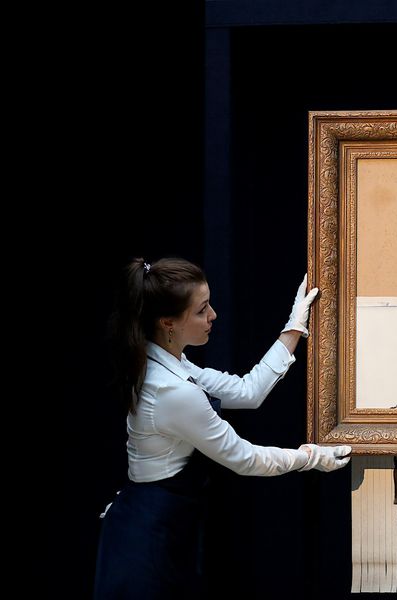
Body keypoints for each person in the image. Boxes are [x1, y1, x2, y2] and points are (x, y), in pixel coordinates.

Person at [94, 257, 351, 599]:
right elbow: (244, 459)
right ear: (168, 322)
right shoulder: (172, 390)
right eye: (201, 310)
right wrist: (310, 457)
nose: (213, 315)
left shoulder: (163, 359)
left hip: (156, 523)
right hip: (147, 540)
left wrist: (294, 326)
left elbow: (247, 391)